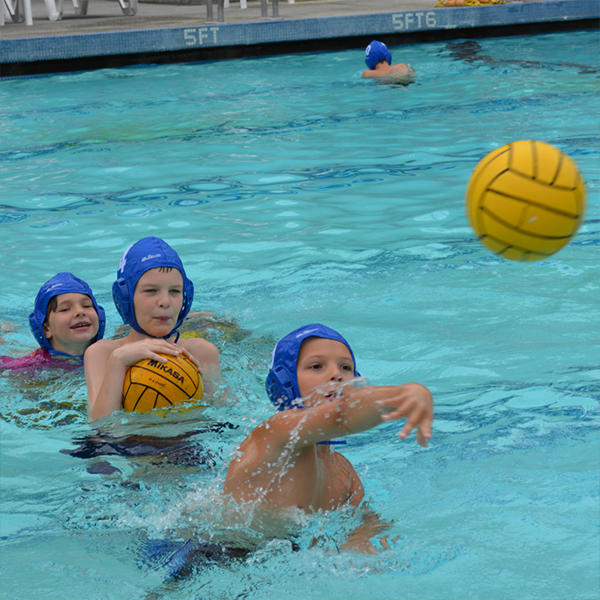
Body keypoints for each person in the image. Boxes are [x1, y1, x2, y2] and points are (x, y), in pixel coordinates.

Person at [223, 324, 433, 551]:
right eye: (316, 366)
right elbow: (343, 415)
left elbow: (362, 529)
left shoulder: (345, 472)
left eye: (346, 367)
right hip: (215, 554)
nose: (336, 375)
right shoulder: (278, 434)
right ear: (285, 382)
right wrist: (408, 393)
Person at [84, 237, 220, 422]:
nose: (165, 302)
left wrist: (199, 389)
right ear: (125, 297)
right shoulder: (103, 353)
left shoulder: (202, 352)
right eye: (151, 291)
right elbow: (101, 429)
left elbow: (221, 419)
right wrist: (119, 361)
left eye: (175, 291)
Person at [0, 272, 106, 372]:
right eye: (65, 309)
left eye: (86, 305)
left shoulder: (110, 352)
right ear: (47, 329)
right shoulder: (31, 366)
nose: (80, 311)